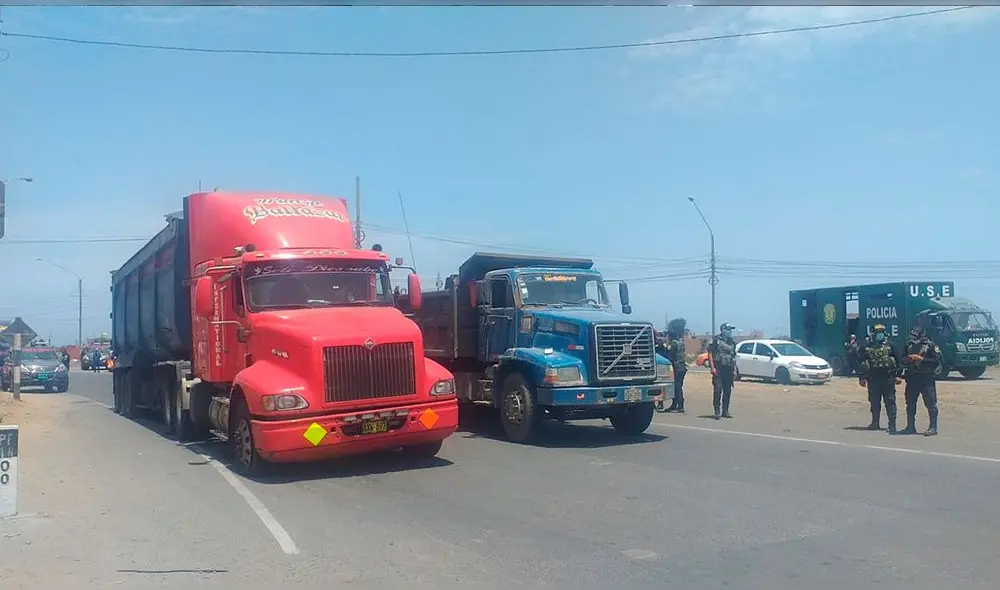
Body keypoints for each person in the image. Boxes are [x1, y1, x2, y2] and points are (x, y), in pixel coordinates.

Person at [855, 324, 901, 434]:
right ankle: (875, 422)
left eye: (881, 332)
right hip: (873, 378)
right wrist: (862, 377)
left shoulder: (891, 345)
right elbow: (860, 361)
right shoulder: (866, 345)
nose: (879, 334)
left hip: (888, 378)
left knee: (890, 402)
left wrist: (898, 375)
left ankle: (892, 425)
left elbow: (898, 360)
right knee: (874, 401)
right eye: (877, 332)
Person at [900, 326, 941, 436]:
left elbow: (936, 361)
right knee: (910, 403)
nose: (912, 337)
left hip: (926, 379)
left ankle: (933, 427)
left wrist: (921, 359)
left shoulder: (930, 346)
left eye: (915, 335)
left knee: (931, 403)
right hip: (912, 379)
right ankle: (910, 426)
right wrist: (908, 359)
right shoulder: (908, 345)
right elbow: (902, 359)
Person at [707, 322, 738, 420]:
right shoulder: (716, 340)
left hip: (728, 369)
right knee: (718, 389)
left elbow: (733, 357)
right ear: (722, 330)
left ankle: (725, 411)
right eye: (728, 329)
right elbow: (710, 353)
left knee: (727, 391)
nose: (729, 332)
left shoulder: (732, 342)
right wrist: (712, 368)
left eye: (730, 330)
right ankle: (717, 410)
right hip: (718, 368)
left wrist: (734, 370)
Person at [662, 318, 688, 413]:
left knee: (676, 387)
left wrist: (665, 345)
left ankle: (679, 405)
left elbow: (669, 356)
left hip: (676, 367)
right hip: (682, 366)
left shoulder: (673, 344)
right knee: (678, 386)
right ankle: (675, 404)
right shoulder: (681, 342)